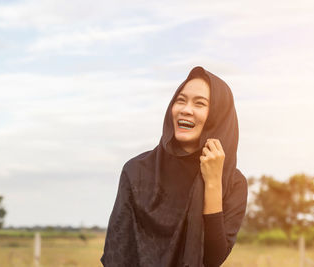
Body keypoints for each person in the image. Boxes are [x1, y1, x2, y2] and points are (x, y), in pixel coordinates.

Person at [100, 66, 248, 267]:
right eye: (180, 100)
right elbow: (117, 254)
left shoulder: (233, 183)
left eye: (200, 103)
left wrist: (213, 183)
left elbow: (213, 260)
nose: (186, 109)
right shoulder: (137, 171)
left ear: (217, 116)